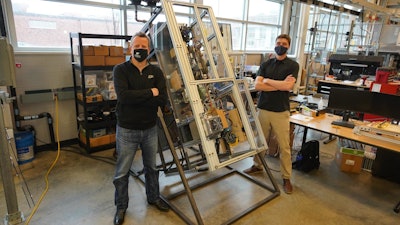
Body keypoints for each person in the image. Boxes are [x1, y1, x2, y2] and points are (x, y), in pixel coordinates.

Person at [112, 32, 169, 225]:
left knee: (151, 168)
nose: (140, 50)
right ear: (130, 48)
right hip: (127, 130)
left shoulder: (157, 72)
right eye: (137, 46)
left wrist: (144, 95)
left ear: (149, 49)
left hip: (150, 129)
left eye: (144, 47)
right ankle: (121, 207)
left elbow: (162, 98)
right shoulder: (120, 70)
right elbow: (124, 97)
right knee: (122, 172)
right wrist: (150, 92)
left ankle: (153, 197)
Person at [243, 34, 299, 194]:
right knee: (260, 140)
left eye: (284, 43)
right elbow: (258, 85)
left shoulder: (293, 65)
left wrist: (268, 81)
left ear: (288, 46)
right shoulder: (266, 64)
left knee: (284, 146)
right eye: (278, 43)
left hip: (281, 111)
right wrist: (278, 85)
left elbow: (288, 87)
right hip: (264, 108)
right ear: (274, 45)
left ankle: (286, 177)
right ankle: (257, 165)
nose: (280, 45)